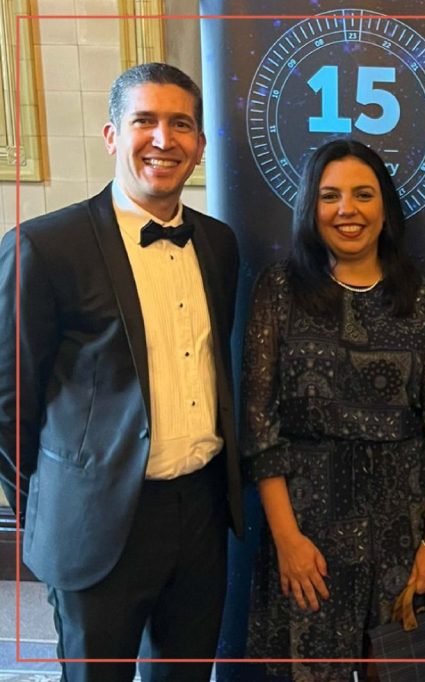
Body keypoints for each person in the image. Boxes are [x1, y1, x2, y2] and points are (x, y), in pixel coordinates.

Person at [0, 63, 243, 681]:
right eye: (145, 121)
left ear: (200, 144)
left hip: (201, 513)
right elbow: (8, 402)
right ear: (112, 135)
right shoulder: (43, 246)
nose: (164, 139)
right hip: (93, 521)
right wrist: (52, 501)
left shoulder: (219, 244)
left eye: (180, 124)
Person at [242, 138, 425, 681]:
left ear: (385, 208)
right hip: (307, 531)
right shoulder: (279, 290)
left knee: (400, 673)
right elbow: (260, 426)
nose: (347, 210)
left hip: (402, 532)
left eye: (363, 194)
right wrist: (287, 540)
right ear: (310, 208)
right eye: (330, 196)